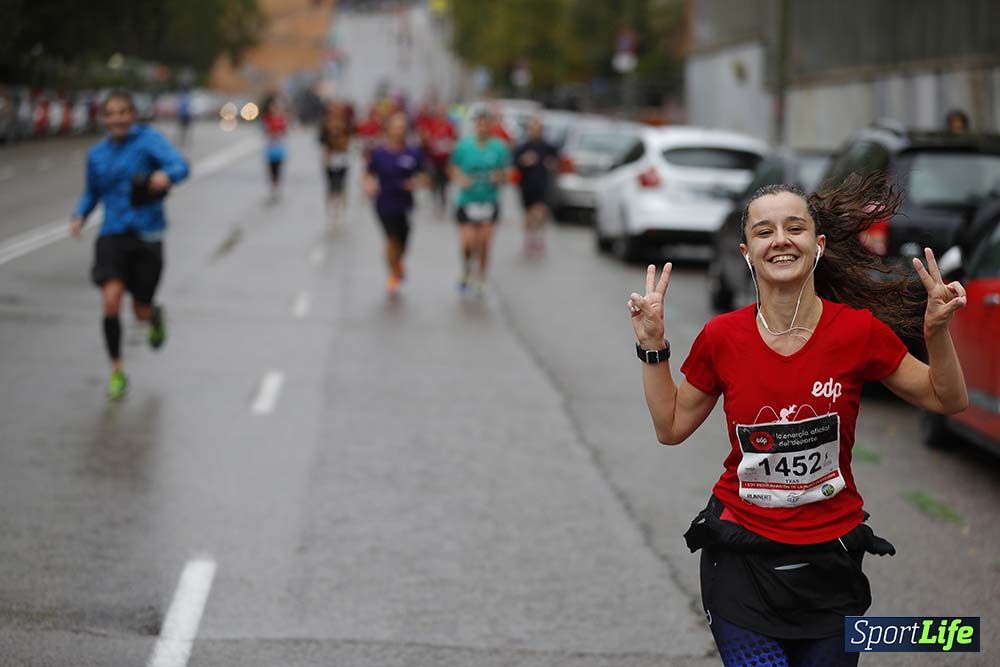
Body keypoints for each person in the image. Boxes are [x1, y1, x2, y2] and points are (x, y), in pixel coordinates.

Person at [626, 175, 968, 667]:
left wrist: (935, 332)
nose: (781, 240)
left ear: (818, 245)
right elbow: (671, 426)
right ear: (747, 251)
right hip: (741, 565)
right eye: (764, 232)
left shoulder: (857, 332)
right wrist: (653, 344)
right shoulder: (722, 337)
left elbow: (947, 398)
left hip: (832, 566)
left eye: (795, 228)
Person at [70, 91, 190, 400]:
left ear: (133, 115)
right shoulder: (97, 155)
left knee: (139, 310)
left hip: (147, 235)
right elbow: (91, 193)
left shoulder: (148, 141)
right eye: (111, 113)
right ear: (104, 118)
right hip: (112, 234)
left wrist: (166, 175)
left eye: (123, 112)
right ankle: (117, 371)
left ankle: (153, 317)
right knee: (110, 301)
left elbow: (181, 165)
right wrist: (79, 215)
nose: (118, 118)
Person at [363, 112, 426, 295]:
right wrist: (369, 186)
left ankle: (398, 263)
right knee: (391, 239)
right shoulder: (379, 153)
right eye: (396, 126)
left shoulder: (413, 152)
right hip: (384, 202)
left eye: (402, 127)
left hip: (404, 203)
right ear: (388, 129)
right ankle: (393, 273)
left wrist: (417, 182)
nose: (399, 130)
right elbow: (368, 174)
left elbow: (424, 175)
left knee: (404, 241)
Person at [449, 109, 511, 295]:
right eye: (479, 123)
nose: (482, 127)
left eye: (486, 123)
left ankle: (482, 276)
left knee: (484, 243)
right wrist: (461, 179)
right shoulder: (464, 146)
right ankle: (467, 269)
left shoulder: (500, 147)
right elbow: (453, 168)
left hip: (489, 202)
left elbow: (508, 173)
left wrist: (498, 176)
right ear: (475, 125)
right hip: (467, 201)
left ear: (492, 126)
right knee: (468, 243)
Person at [513, 116, 557, 254]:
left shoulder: (547, 146)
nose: (535, 131)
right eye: (533, 129)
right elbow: (514, 162)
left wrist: (551, 163)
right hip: (526, 185)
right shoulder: (523, 147)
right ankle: (529, 238)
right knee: (528, 214)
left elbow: (556, 160)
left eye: (538, 129)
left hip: (542, 184)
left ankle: (539, 237)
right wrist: (524, 161)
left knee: (540, 212)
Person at [417, 103, 457, 216]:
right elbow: (424, 139)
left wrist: (450, 146)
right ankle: (435, 201)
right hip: (433, 159)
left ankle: (443, 203)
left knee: (444, 183)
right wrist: (428, 140)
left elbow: (454, 138)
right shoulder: (430, 124)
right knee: (434, 182)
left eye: (443, 112)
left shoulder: (449, 125)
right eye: (439, 112)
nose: (441, 114)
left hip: (445, 160)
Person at [318, 101, 352, 228]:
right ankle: (332, 212)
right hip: (330, 159)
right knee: (331, 186)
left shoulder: (346, 124)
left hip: (342, 158)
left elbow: (350, 139)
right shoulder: (325, 125)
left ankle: (341, 211)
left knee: (341, 185)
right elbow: (321, 141)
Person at [261, 95, 289, 199]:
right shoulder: (267, 119)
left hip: (279, 148)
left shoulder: (282, 119)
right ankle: (273, 187)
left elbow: (285, 132)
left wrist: (278, 133)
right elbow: (265, 131)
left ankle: (277, 186)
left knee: (278, 168)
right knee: (271, 169)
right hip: (270, 148)